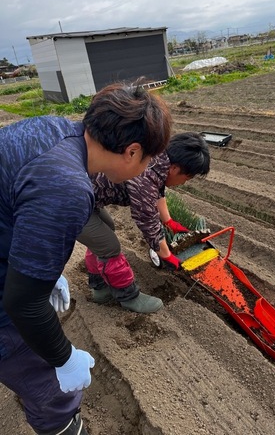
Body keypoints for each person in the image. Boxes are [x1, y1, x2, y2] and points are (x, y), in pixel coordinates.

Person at [0, 81, 172, 435]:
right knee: (49, 385)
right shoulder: (67, 187)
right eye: (151, 159)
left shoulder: (53, 128)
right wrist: (64, 358)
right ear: (132, 151)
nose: (149, 168)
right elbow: (23, 304)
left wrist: (39, 270)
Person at [77, 132, 210, 313]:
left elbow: (158, 192)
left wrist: (169, 221)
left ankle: (99, 289)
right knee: (109, 246)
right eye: (187, 178)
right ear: (175, 169)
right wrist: (166, 254)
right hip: (71, 202)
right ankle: (129, 297)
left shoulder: (158, 158)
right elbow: (147, 221)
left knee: (105, 231)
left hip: (87, 198)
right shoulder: (145, 177)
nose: (184, 184)